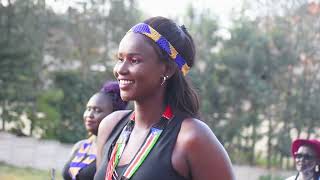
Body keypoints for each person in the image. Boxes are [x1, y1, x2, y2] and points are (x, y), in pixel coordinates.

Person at [94, 16, 234, 180]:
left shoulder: (191, 137)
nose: (120, 69)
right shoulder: (110, 126)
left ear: (167, 69)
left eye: (134, 60)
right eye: (120, 59)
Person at [62, 81, 128, 180]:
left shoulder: (118, 152)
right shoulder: (80, 146)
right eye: (88, 109)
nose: (89, 115)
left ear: (114, 115)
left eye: (97, 110)